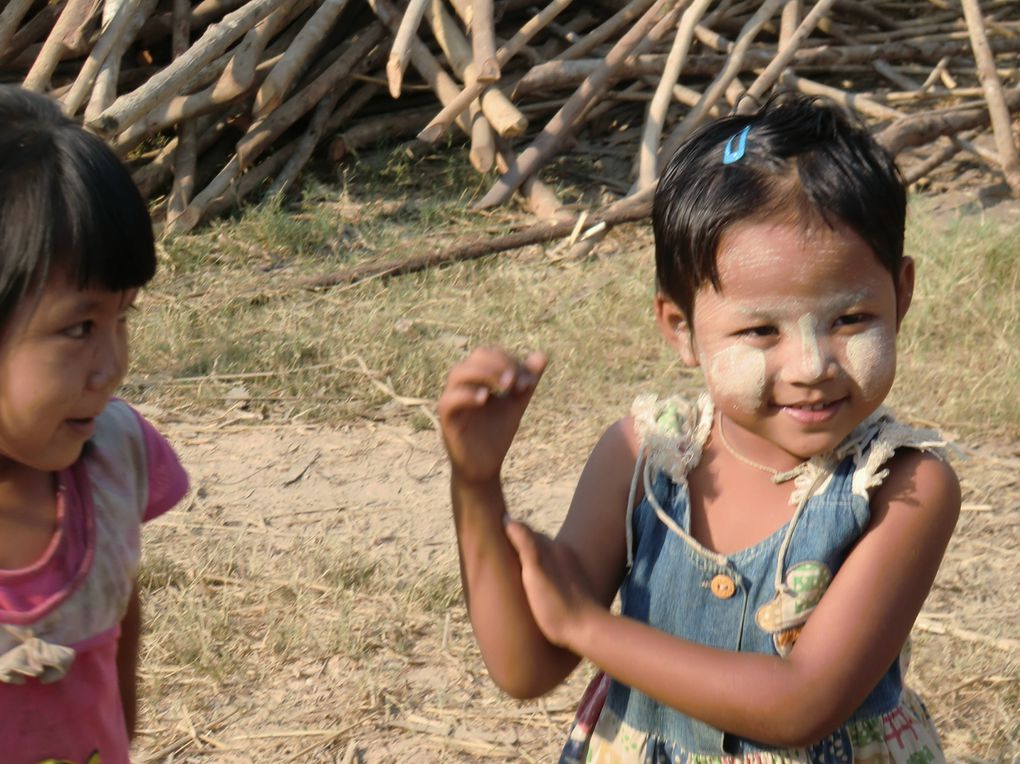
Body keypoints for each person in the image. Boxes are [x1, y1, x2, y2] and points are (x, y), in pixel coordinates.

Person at [438, 94, 960, 760]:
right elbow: (526, 667)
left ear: (903, 294)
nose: (811, 366)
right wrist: (477, 485)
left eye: (850, 320)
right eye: (760, 330)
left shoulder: (903, 488)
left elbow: (803, 703)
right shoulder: (645, 456)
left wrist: (587, 626)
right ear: (680, 329)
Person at [0, 86, 188, 763]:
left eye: (123, 318)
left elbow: (117, 605)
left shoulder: (114, 458)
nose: (112, 366)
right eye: (79, 327)